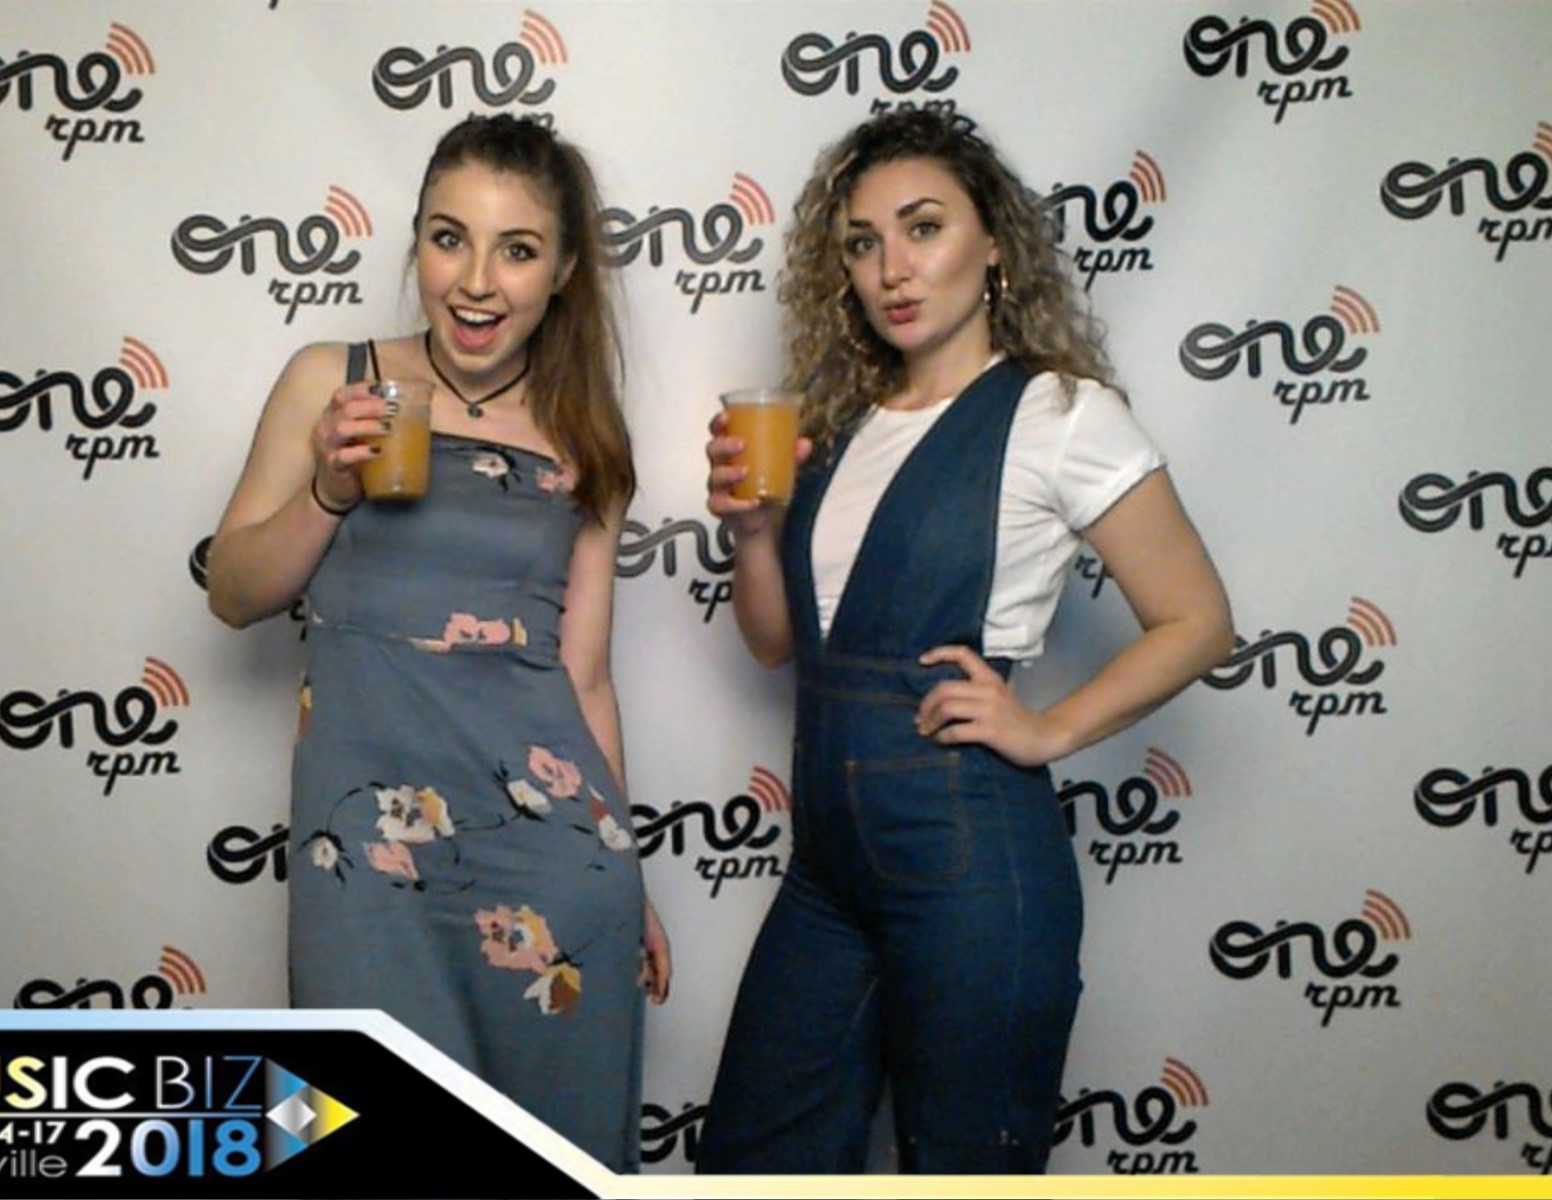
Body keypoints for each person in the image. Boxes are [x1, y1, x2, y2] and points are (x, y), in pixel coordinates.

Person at [694, 107, 1233, 1174]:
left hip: (974, 868)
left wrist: (1047, 729)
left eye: (925, 227)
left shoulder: (1060, 415)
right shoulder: (840, 428)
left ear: (992, 244)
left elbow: (1199, 620)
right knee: (754, 1162)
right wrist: (754, 533)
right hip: (826, 874)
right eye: (863, 242)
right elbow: (775, 645)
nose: (893, 268)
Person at [206, 115, 669, 1173]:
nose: (477, 281)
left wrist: (631, 875)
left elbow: (586, 676)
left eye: (519, 249)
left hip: (554, 865)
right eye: (449, 238)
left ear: (563, 273)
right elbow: (233, 594)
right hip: (364, 861)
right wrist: (329, 487)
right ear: (415, 241)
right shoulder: (330, 381)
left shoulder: (586, 434)